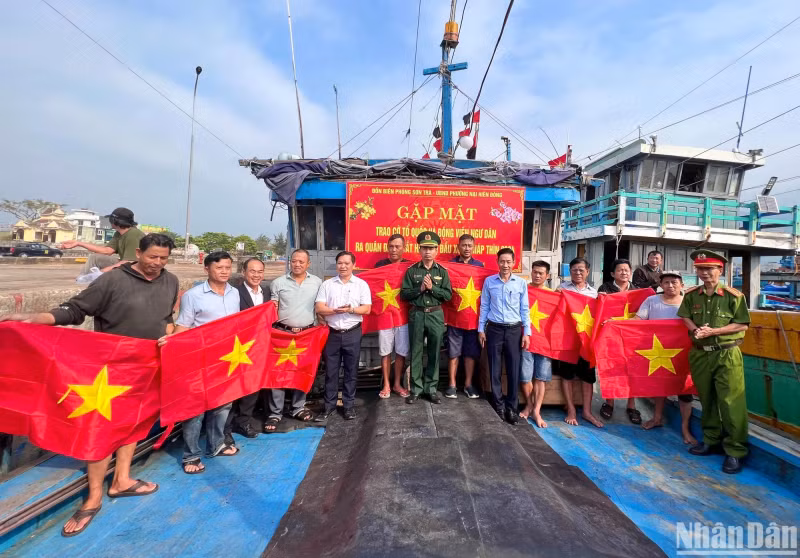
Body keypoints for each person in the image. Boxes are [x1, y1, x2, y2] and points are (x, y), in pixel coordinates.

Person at [0, 233, 177, 536]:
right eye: (152, 258)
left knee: (134, 424)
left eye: (163, 259)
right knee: (102, 430)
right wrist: (36, 319)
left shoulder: (170, 280)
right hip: (108, 371)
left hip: (146, 367)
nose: (157, 264)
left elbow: (166, 318)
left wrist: (170, 334)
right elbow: (74, 310)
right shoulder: (113, 281)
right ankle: (94, 495)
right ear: (139, 253)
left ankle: (122, 480)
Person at [168, 251, 241, 474]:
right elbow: (183, 327)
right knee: (195, 409)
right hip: (200, 359)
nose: (224, 272)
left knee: (222, 404)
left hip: (227, 358)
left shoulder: (234, 293)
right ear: (206, 268)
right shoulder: (193, 295)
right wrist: (172, 344)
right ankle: (191, 455)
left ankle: (216, 444)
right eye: (219, 268)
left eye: (228, 267)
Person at [678, 250, 750, 474]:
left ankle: (735, 450)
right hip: (700, 353)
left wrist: (715, 331)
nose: (704, 273)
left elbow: (742, 324)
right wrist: (696, 330)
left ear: (721, 270)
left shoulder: (733, 296)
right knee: (707, 397)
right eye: (700, 269)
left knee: (731, 402)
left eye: (709, 268)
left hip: (726, 353)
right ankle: (711, 440)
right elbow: (685, 316)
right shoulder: (691, 295)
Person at [636, 271, 697, 445]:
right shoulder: (651, 301)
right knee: (659, 385)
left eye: (674, 282)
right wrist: (617, 324)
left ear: (682, 285)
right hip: (658, 352)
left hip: (684, 351)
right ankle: (657, 418)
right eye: (667, 282)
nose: (670, 286)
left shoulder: (689, 302)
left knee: (685, 390)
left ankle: (685, 428)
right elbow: (638, 320)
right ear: (660, 285)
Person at [314, 251, 372, 421]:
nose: (343, 266)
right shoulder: (328, 285)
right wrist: (335, 311)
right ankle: (329, 406)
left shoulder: (361, 284)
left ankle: (348, 406)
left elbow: (366, 309)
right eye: (340, 263)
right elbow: (319, 308)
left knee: (351, 371)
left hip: (352, 333)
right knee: (331, 372)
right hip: (332, 334)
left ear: (353, 265)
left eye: (347, 263)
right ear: (336, 264)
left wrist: (350, 310)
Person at [268, 249, 322, 430]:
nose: (297, 264)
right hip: (282, 335)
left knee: (302, 372)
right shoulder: (278, 283)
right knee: (279, 374)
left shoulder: (317, 283)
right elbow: (272, 309)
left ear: (308, 264)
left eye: (301, 262)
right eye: (294, 261)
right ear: (290, 262)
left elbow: (319, 308)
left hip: (306, 335)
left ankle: (298, 407)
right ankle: (275, 413)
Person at [478, 248, 530, 424]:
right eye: (502, 261)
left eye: (508, 262)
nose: (505, 265)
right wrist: (481, 329)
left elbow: (525, 309)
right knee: (495, 369)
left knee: (514, 369)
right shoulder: (489, 282)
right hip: (494, 329)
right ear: (497, 262)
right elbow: (484, 306)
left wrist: (526, 332)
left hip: (514, 331)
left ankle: (511, 408)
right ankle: (498, 405)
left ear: (514, 263)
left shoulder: (520, 283)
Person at [400, 231, 452, 405]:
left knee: (434, 352)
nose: (427, 252)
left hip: (436, 314)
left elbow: (448, 295)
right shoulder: (412, 271)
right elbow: (404, 295)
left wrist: (432, 289)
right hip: (417, 313)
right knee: (416, 351)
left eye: (431, 248)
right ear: (419, 250)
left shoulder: (442, 272)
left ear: (437, 250)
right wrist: (421, 289)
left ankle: (431, 389)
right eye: (424, 248)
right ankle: (415, 389)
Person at [555, 257, 603, 428]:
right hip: (567, 340)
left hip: (586, 342)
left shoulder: (595, 293)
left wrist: (603, 300)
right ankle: (571, 410)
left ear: (587, 272)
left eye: (581, 270)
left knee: (588, 378)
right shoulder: (561, 289)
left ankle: (587, 412)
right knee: (566, 375)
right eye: (574, 269)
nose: (577, 272)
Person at [223, 257, 267, 443]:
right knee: (233, 387)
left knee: (252, 386)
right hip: (237, 347)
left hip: (258, 347)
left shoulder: (267, 292)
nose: (256, 275)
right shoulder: (234, 293)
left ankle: (244, 422)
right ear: (244, 272)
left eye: (259, 272)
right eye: (252, 271)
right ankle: (225, 428)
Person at [598, 258, 641, 425]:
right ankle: (610, 402)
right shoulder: (605, 289)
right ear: (612, 273)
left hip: (631, 336)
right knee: (610, 367)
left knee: (633, 369)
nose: (624, 272)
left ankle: (631, 405)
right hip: (611, 336)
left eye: (626, 270)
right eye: (620, 270)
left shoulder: (638, 291)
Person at [445, 234, 484, 399]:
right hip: (455, 316)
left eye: (469, 245)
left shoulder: (480, 266)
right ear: (458, 247)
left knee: (470, 353)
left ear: (473, 247)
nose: (466, 248)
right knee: (453, 353)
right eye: (464, 245)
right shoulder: (451, 266)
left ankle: (468, 385)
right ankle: (452, 385)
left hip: (473, 319)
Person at [375, 234, 411, 399]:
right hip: (384, 316)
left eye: (397, 246)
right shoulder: (380, 265)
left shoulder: (410, 267)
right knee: (385, 351)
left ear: (404, 248)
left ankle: (397, 383)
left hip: (403, 316)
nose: (394, 249)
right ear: (387, 247)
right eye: (391, 246)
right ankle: (386, 385)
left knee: (401, 352)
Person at [62, 208, 145, 274]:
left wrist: (102, 272)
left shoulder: (133, 235)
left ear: (115, 221)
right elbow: (107, 251)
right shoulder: (119, 233)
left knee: (100, 270)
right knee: (94, 258)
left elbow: (130, 262)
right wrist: (79, 243)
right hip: (127, 265)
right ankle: (86, 280)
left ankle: (89, 282)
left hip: (136, 269)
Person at [520, 260, 553, 428]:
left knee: (541, 377)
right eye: (535, 272)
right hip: (526, 338)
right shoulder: (523, 289)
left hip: (546, 342)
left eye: (541, 273)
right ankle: (529, 405)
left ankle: (536, 411)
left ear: (547, 276)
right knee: (525, 376)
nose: (537, 275)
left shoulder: (554, 295)